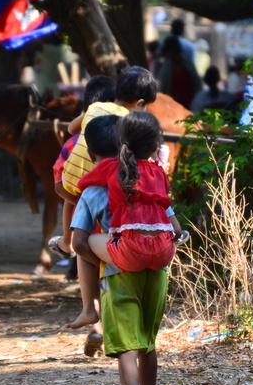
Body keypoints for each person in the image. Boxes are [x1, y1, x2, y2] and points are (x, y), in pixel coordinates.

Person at [70, 115, 174, 385]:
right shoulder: (156, 176)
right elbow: (174, 223)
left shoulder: (96, 187)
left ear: (91, 152)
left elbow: (77, 242)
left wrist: (101, 259)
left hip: (120, 270)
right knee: (148, 345)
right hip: (158, 269)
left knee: (126, 349)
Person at [59, 66, 158, 331]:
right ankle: (102, 301)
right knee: (102, 238)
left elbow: (70, 129)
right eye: (145, 107)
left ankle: (87, 308)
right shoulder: (127, 121)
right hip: (101, 187)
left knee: (80, 238)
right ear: (139, 103)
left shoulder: (94, 108)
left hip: (71, 184)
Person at [78, 111, 184, 274]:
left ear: (120, 143)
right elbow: (177, 231)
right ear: (155, 147)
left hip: (130, 254)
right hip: (164, 254)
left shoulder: (112, 167)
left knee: (89, 239)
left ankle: (96, 288)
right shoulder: (160, 173)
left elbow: (83, 183)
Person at [49, 75, 117, 262]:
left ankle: (66, 242)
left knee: (83, 253)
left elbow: (58, 185)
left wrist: (82, 202)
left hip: (82, 218)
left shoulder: (72, 143)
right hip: (117, 219)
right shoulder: (123, 145)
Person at [157, 35, 203, 109]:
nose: (170, 55)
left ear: (176, 51)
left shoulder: (188, 65)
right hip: (173, 108)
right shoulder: (165, 70)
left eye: (171, 52)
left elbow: (197, 84)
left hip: (191, 106)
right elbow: (162, 90)